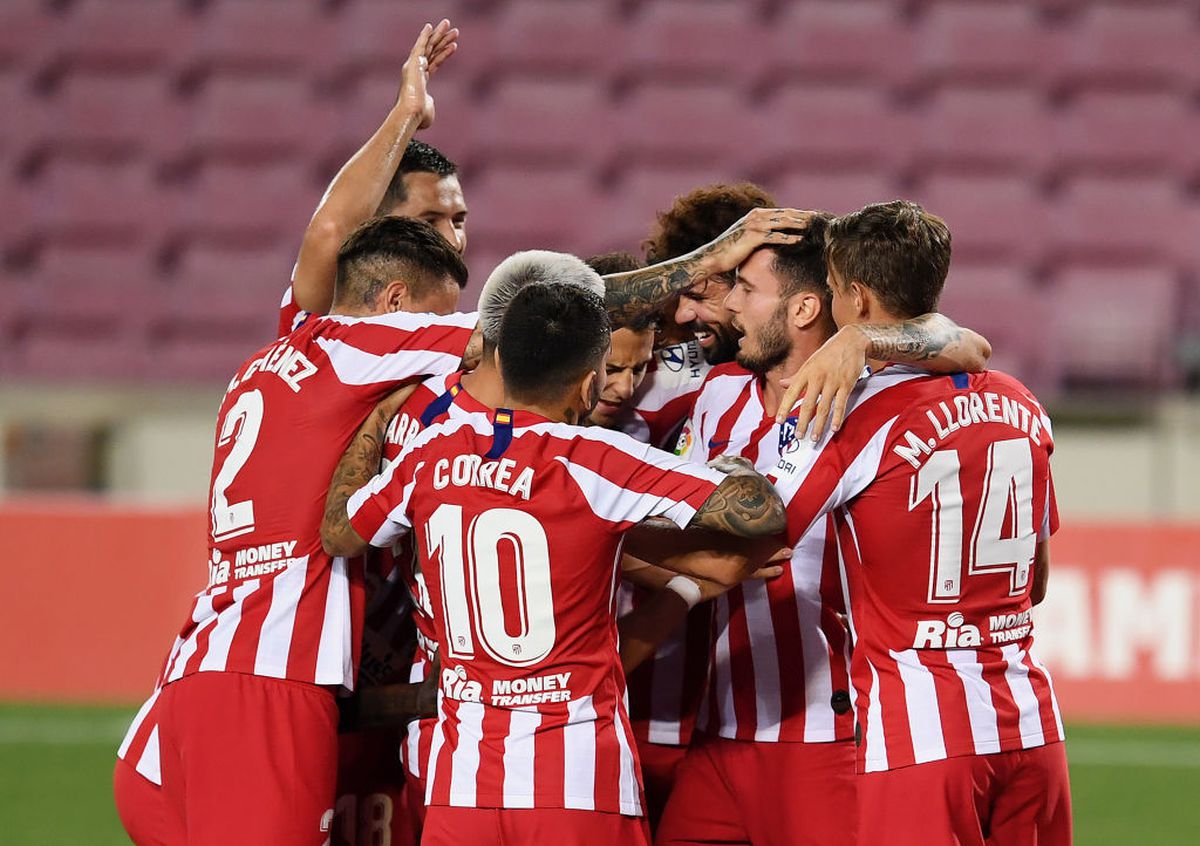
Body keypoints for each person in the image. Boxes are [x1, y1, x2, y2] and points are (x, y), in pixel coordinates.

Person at [320, 282, 789, 846]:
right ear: (589, 380)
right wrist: (736, 468)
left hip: (461, 785)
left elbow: (342, 533)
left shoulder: (429, 454)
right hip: (576, 782)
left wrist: (374, 420)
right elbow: (760, 514)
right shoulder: (596, 462)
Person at [121, 216, 475, 846]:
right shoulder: (358, 347)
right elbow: (530, 336)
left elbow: (325, 232)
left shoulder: (260, 365)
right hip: (272, 679)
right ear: (394, 302)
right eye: (431, 315)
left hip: (189, 679)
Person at [659, 212, 994, 846]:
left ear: (807, 307)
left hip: (824, 731)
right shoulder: (718, 392)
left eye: (747, 290)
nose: (730, 304)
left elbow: (969, 346)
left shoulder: (868, 403)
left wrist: (865, 343)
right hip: (720, 728)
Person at [770, 200, 1070, 845]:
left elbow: (761, 530)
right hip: (1033, 727)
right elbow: (1035, 581)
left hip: (923, 733)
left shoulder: (849, 414)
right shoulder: (1021, 401)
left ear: (855, 297)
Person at [280, 20, 465, 337]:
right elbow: (331, 230)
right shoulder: (326, 323)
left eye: (458, 220)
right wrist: (407, 113)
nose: (453, 240)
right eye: (429, 220)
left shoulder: (455, 344)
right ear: (374, 224)